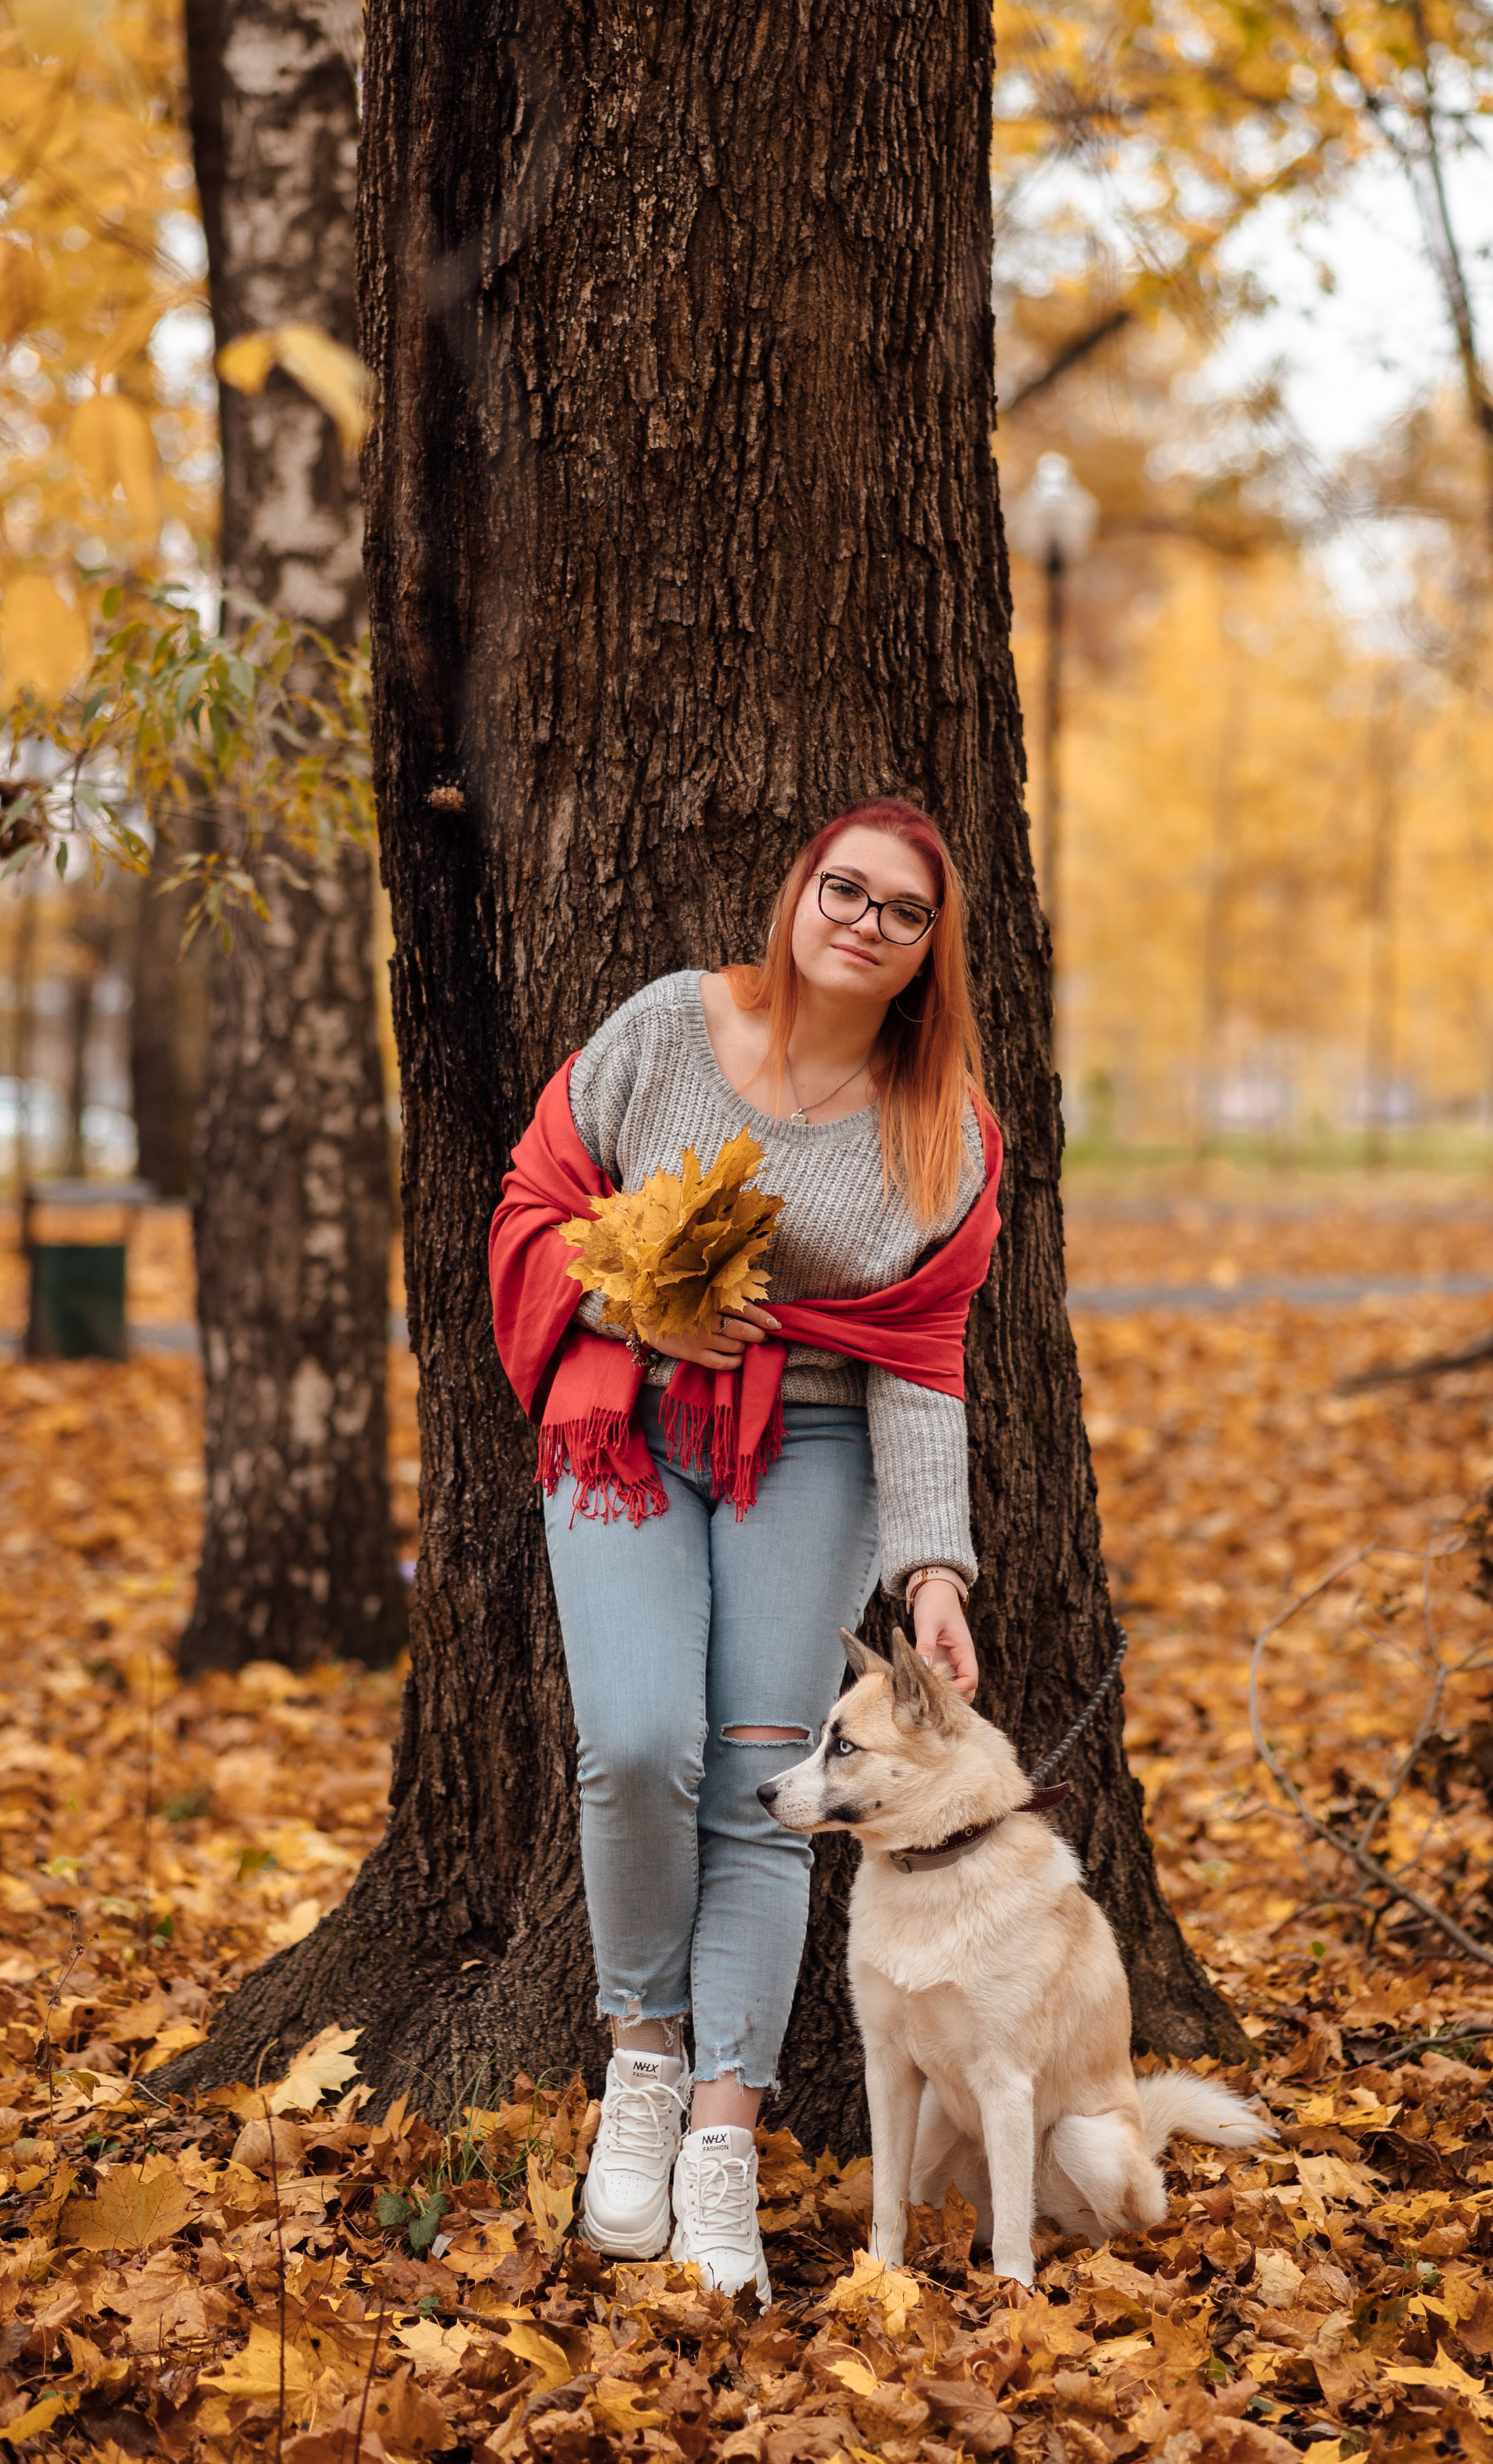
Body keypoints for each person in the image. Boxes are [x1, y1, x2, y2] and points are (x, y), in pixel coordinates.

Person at [488, 797, 1003, 2301]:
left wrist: (933, 1572)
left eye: (899, 911)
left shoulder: (940, 1133)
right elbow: (534, 1203)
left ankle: (719, 2135)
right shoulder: (663, 1029)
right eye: (841, 888)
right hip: (623, 1421)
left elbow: (918, 1351)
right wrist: (628, 1312)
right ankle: (639, 2057)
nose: (861, 920)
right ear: (797, 896)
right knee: (639, 1742)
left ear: (926, 954)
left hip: (814, 1445)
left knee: (766, 1772)